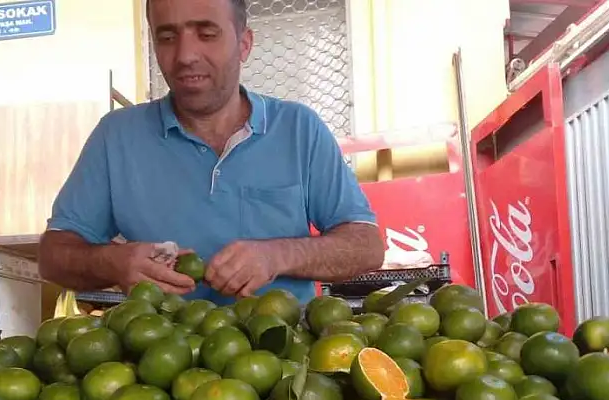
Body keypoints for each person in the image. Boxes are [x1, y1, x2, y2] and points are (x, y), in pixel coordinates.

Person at [39, 0, 385, 305]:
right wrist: (113, 262)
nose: (185, 55)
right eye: (167, 36)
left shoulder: (298, 128)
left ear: (244, 44)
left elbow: (366, 246)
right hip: (159, 362)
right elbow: (53, 256)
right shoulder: (116, 136)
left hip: (284, 361)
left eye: (206, 33)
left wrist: (278, 254)